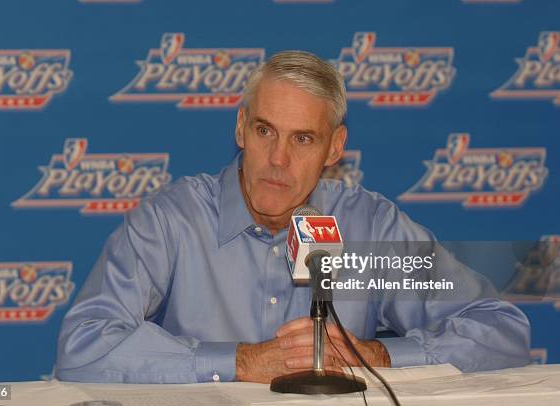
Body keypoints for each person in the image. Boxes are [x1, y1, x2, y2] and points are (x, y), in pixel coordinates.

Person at [55, 51, 531, 384]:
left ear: (335, 148)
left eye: (302, 139)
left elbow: (500, 330)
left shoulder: (371, 228)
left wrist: (381, 356)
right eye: (265, 131)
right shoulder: (170, 221)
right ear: (241, 128)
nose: (277, 159)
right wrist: (240, 363)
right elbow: (83, 347)